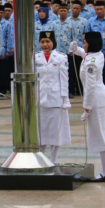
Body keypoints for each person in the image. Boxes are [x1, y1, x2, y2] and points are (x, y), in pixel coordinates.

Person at [70, 32, 105, 182]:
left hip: (97, 101)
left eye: (85, 42)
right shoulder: (96, 54)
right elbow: (85, 55)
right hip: (101, 98)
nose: (84, 44)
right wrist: (77, 49)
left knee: (101, 135)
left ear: (91, 43)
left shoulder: (92, 61)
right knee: (102, 134)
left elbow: (91, 86)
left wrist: (86, 108)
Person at [36, 31, 71, 163]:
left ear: (53, 42)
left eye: (48, 42)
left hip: (56, 98)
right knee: (41, 132)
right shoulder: (35, 58)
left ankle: (53, 160)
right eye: (42, 42)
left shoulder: (61, 58)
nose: (45, 45)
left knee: (56, 133)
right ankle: (41, 159)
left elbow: (64, 79)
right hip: (40, 99)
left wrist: (65, 99)